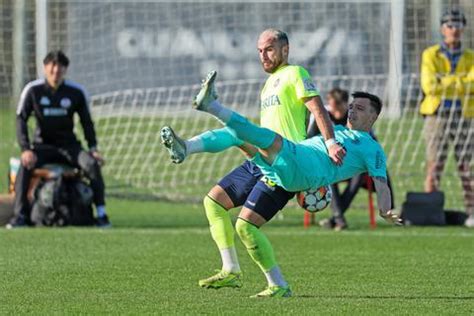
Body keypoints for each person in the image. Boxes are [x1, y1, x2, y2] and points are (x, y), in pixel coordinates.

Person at [163, 70, 401, 297]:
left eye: (359, 108)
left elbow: (381, 181)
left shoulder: (371, 147)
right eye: (351, 106)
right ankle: (276, 285)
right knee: (238, 137)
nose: (351, 111)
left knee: (264, 136)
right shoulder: (336, 131)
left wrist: (385, 209)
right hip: (288, 169)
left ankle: (212, 106)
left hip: (303, 169)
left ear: (373, 116)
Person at [161, 29, 345, 298]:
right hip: (262, 159)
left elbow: (318, 109)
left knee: (245, 226)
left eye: (269, 49)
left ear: (285, 49)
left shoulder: (296, 74)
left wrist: (329, 143)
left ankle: (279, 285)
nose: (264, 55)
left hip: (285, 163)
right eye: (260, 51)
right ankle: (230, 270)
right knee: (213, 202)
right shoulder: (268, 84)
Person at [7, 50, 111, 228]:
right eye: (52, 66)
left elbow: (87, 123)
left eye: (60, 67)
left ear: (65, 69)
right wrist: (26, 149)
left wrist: (93, 148)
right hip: (42, 147)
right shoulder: (33, 90)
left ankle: (101, 214)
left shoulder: (75, 92)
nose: (56, 71)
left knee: (91, 164)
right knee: (25, 165)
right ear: (45, 67)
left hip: (69, 147)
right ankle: (20, 216)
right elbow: (21, 119)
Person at [311, 88, 395, 231]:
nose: (334, 110)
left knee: (360, 176)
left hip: (355, 166)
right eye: (332, 106)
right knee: (329, 175)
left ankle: (337, 218)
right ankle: (339, 218)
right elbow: (311, 139)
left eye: (337, 106)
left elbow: (372, 144)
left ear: (345, 104)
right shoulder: (323, 118)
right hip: (332, 163)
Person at [419, 9, 474, 228]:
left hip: (464, 116)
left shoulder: (470, 56)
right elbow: (430, 86)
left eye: (458, 25)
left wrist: (447, 82)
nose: (454, 29)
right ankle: (430, 211)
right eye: (450, 25)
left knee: (466, 166)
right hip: (437, 115)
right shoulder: (430, 54)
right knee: (435, 165)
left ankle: (471, 211)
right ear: (443, 29)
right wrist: (461, 82)